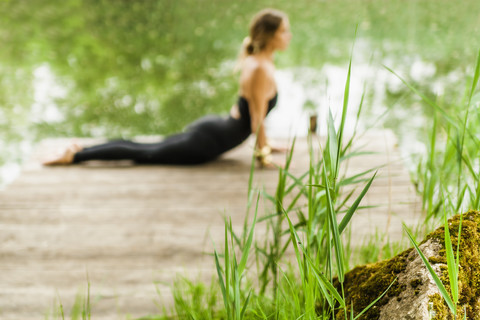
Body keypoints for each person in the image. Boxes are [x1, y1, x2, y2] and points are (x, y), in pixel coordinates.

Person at [43, 8, 292, 167]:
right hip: (208, 142)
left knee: (146, 147)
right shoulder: (260, 68)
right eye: (283, 31)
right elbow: (255, 118)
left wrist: (267, 143)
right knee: (145, 154)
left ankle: (80, 149)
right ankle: (75, 156)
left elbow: (248, 111)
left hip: (215, 129)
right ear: (269, 36)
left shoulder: (259, 62)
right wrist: (263, 157)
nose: (288, 35)